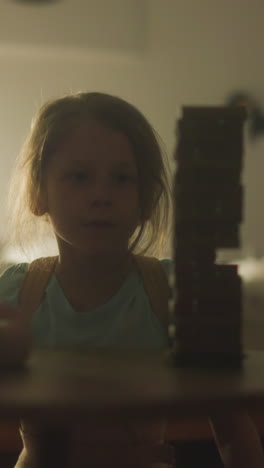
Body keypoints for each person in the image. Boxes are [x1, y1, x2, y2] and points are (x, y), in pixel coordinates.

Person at [0, 91, 263, 467]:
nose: (102, 195)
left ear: (146, 198)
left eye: (122, 179)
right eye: (79, 177)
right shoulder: (15, 294)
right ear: (39, 193)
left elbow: (232, 429)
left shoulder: (180, 294)